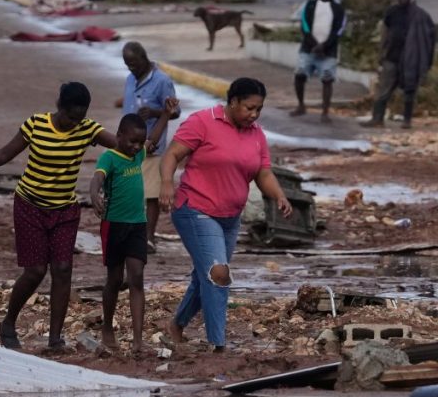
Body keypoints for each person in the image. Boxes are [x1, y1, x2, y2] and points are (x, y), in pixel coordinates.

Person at [0, 82, 115, 351]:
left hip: (65, 210)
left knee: (62, 269)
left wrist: (143, 139)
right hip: (30, 206)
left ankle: (55, 339)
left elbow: (122, 144)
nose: (75, 123)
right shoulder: (35, 124)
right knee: (35, 271)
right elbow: (5, 153)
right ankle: (9, 323)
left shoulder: (88, 129)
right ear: (59, 107)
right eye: (71, 116)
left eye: (80, 117)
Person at [159, 78, 293, 352]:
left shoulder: (256, 134)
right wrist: (165, 184)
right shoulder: (203, 122)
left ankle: (176, 326)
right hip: (195, 208)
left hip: (230, 217)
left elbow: (263, 172)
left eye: (259, 109)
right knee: (218, 273)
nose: (254, 114)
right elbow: (172, 154)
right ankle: (217, 345)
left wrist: (279, 195)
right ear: (233, 102)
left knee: (206, 275)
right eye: (249, 108)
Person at [90, 105, 177, 355]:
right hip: (113, 226)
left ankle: (138, 341)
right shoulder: (110, 157)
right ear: (119, 136)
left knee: (136, 277)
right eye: (132, 141)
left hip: (137, 226)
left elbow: (155, 138)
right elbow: (97, 178)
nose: (137, 147)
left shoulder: (138, 155)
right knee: (115, 280)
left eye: (140, 142)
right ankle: (107, 327)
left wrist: (164, 116)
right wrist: (94, 194)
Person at [120, 41, 180, 253]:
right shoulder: (130, 79)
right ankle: (131, 235)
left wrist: (155, 113)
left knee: (151, 194)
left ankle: (149, 238)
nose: (131, 68)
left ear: (144, 59)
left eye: (134, 64)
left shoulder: (162, 80)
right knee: (130, 191)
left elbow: (176, 111)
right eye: (128, 65)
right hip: (128, 146)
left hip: (152, 146)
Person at [362, 0, 435, 129]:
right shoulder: (392, 12)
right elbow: (386, 32)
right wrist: (381, 53)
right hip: (392, 57)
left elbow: (429, 38)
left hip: (411, 59)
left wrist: (426, 60)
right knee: (383, 89)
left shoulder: (420, 15)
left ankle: (407, 121)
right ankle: (377, 119)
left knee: (409, 90)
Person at [290, 0, 346, 122]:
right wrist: (314, 44)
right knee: (299, 75)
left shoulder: (339, 9)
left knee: (327, 79)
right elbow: (304, 26)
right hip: (308, 49)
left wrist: (324, 45)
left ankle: (325, 112)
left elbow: (338, 31)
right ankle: (301, 105)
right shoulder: (310, 5)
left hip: (328, 52)